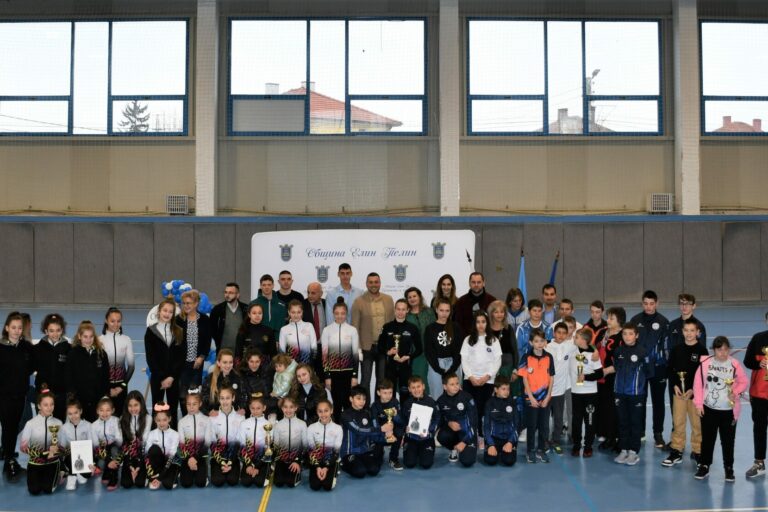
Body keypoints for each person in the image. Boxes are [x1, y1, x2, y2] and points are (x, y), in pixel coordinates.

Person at [694, 336, 749, 482]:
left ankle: (729, 468)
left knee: (728, 441)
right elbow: (698, 385)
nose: (723, 353)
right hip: (709, 409)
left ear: (729, 350)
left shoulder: (734, 364)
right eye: (719, 350)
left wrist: (735, 392)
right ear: (714, 350)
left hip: (728, 411)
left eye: (726, 349)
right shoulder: (705, 364)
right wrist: (698, 404)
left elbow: (744, 381)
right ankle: (704, 465)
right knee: (707, 439)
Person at [662, 318, 709, 468]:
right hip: (679, 394)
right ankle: (677, 450)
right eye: (686, 330)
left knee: (697, 424)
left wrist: (694, 390)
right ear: (682, 332)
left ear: (698, 332)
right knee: (678, 423)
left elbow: (704, 374)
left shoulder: (702, 351)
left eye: (692, 331)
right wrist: (675, 385)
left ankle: (698, 451)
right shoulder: (676, 349)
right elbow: (670, 369)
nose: (689, 333)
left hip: (696, 395)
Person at [630, 290, 669, 449]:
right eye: (645, 303)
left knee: (658, 401)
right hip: (640, 369)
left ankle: (658, 433)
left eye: (651, 303)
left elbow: (667, 347)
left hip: (658, 368)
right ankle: (640, 432)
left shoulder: (664, 322)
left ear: (657, 304)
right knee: (640, 400)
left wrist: (665, 365)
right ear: (642, 303)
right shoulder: (635, 320)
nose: (648, 307)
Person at [613, 323, 652, 466]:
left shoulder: (643, 352)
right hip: (619, 392)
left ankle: (634, 451)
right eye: (624, 334)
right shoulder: (618, 351)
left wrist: (638, 384)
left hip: (636, 394)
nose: (627, 337)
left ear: (636, 335)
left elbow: (649, 371)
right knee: (622, 421)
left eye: (630, 334)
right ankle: (624, 449)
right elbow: (616, 367)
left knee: (635, 422)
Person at [1, 312, 34, 482]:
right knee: (8, 428)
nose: (16, 331)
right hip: (4, 397)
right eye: (13, 327)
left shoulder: (26, 347)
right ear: (7, 328)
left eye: (19, 328)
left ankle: (10, 458)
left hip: (20, 396)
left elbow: (32, 366)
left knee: (14, 428)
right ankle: (8, 462)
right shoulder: (1, 348)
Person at [460, 310, 502, 443]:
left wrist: (487, 376)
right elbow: (464, 360)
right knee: (472, 409)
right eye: (478, 322)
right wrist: (470, 376)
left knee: (484, 409)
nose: (481, 325)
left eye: (483, 322)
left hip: (487, 381)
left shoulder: (493, 340)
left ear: (487, 323)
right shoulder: (468, 340)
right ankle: (472, 435)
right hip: (470, 381)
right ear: (474, 324)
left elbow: (497, 360)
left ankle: (483, 435)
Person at [144, 298, 185, 428]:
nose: (167, 314)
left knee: (173, 408)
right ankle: (155, 434)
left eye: (170, 312)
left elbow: (181, 357)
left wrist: (172, 377)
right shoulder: (150, 331)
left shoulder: (179, 331)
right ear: (159, 311)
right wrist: (162, 377)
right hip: (157, 378)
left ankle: (173, 433)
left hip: (174, 378)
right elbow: (151, 358)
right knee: (157, 407)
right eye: (165, 310)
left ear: (174, 314)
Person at [352, 272, 395, 393]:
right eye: (370, 282)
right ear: (366, 284)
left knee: (382, 381)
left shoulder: (388, 299)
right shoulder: (358, 301)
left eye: (376, 282)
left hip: (383, 348)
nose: (373, 285)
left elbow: (392, 324)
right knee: (365, 380)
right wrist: (357, 348)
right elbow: (355, 327)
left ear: (380, 283)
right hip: (366, 348)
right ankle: (364, 405)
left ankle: (379, 405)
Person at [668, 293, 708, 420]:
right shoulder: (673, 325)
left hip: (693, 378)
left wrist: (694, 385)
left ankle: (697, 433)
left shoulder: (699, 326)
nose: (684, 306)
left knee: (695, 416)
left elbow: (701, 355)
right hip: (676, 377)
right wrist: (674, 379)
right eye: (682, 303)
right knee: (676, 412)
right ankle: (676, 430)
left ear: (694, 306)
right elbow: (670, 351)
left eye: (688, 304)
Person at [340, 385, 391, 478]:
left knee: (374, 470)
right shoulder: (345, 415)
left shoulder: (367, 413)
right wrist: (380, 429)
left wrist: (385, 436)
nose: (362, 402)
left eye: (364, 399)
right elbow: (358, 430)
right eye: (358, 398)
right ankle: (343, 464)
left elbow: (371, 433)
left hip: (364, 451)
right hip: (349, 452)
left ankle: (360, 462)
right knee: (360, 472)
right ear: (351, 399)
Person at [519, 328, 554, 464]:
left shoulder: (549, 357)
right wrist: (531, 398)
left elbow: (551, 377)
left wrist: (548, 396)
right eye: (536, 341)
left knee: (544, 425)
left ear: (545, 342)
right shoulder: (526, 357)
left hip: (545, 398)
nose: (539, 344)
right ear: (531, 342)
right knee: (532, 425)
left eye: (542, 341)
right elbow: (524, 379)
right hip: (531, 398)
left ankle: (541, 449)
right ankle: (530, 450)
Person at [321, 300, 360, 422]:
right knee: (337, 404)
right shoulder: (327, 330)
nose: (340, 316)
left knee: (348, 403)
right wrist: (327, 376)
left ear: (346, 314)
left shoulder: (352, 330)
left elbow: (355, 355)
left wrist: (355, 375)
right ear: (333, 313)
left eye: (342, 313)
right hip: (333, 373)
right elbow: (324, 355)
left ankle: (349, 427)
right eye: (337, 313)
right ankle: (337, 427)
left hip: (348, 373)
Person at [20, 389, 64, 495]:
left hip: (52, 463)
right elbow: (23, 448)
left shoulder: (59, 423)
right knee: (34, 491)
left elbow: (63, 446)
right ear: (39, 406)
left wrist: (56, 451)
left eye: (52, 404)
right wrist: (41, 454)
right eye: (46, 405)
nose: (49, 407)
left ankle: (61, 473)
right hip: (35, 463)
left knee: (48, 490)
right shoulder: (30, 424)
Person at [177, 290, 213, 417]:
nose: (186, 306)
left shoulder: (204, 320)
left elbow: (207, 341)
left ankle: (195, 419)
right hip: (181, 365)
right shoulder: (178, 320)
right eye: (184, 303)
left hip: (197, 364)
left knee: (194, 394)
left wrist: (201, 357)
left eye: (189, 303)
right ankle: (185, 418)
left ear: (196, 303)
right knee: (182, 395)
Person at [379, 299, 422, 403]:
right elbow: (380, 347)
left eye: (403, 309)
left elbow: (420, 349)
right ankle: (390, 413)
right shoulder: (387, 327)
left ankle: (405, 413)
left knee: (405, 395)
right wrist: (388, 352)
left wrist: (409, 356)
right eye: (398, 309)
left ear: (407, 310)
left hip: (405, 366)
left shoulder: (412, 328)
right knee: (389, 394)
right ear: (394, 310)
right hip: (390, 367)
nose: (400, 312)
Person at [569, 329, 604, 458]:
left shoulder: (593, 355)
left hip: (590, 394)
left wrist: (586, 377)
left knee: (589, 421)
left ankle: (588, 447)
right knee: (576, 421)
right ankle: (576, 445)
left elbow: (599, 374)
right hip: (576, 393)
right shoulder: (573, 350)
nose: (574, 338)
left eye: (577, 337)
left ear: (583, 340)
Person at [67, 321, 110, 423]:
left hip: (97, 400)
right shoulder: (73, 354)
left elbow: (106, 376)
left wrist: (104, 395)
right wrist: (73, 395)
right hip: (80, 400)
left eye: (91, 336)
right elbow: (68, 376)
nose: (88, 340)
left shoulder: (101, 354)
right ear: (79, 336)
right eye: (85, 336)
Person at [546, 322, 577, 455]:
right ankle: (544, 441)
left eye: (564, 333)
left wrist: (595, 352)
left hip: (560, 390)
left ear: (567, 334)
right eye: (558, 332)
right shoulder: (547, 347)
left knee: (558, 418)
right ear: (554, 333)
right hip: (546, 390)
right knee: (545, 418)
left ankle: (556, 441)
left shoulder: (570, 347)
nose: (561, 335)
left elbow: (585, 345)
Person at [743, 313, 768, 478]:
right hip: (759, 393)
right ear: (766, 320)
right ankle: (759, 462)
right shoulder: (758, 338)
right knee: (759, 428)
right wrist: (758, 363)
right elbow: (747, 361)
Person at [597, 307, 625, 452]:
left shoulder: (623, 336)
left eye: (611, 318)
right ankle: (607, 435)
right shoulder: (603, 332)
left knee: (614, 408)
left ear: (619, 321)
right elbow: (593, 348)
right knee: (604, 407)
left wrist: (607, 370)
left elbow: (623, 359)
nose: (607, 320)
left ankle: (617, 438)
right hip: (600, 377)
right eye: (608, 317)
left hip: (615, 377)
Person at [424, 298, 463, 401]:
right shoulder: (430, 328)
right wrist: (438, 369)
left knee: (456, 394)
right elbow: (429, 351)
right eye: (441, 310)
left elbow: (459, 350)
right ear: (436, 310)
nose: (444, 313)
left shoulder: (456, 327)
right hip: (436, 365)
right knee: (437, 394)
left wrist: (452, 368)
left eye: (447, 311)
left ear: (450, 311)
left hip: (454, 364)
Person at [32, 313, 70, 421]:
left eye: (58, 330)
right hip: (43, 394)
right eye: (51, 330)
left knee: (59, 425)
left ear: (62, 330)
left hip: (61, 396)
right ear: (46, 331)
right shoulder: (37, 349)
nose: (55, 334)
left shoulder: (69, 349)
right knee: (42, 424)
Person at [436, 373, 478, 467]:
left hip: (468, 434)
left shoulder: (467, 397)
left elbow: (474, 423)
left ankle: (466, 446)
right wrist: (448, 423)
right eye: (452, 384)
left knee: (467, 461)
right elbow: (439, 419)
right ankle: (454, 449)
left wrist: (464, 442)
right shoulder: (441, 401)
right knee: (442, 436)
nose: (456, 386)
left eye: (457, 383)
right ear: (445, 387)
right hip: (453, 434)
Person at [100, 308, 135, 417]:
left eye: (118, 321)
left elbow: (131, 367)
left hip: (122, 386)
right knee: (105, 417)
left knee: (120, 418)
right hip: (105, 387)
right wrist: (107, 388)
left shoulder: (126, 340)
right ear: (106, 321)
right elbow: (98, 369)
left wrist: (122, 387)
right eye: (112, 321)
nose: (116, 324)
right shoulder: (99, 340)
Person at [401, 376, 440, 469]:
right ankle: (414, 452)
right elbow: (403, 420)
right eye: (413, 387)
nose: (416, 390)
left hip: (426, 438)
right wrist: (405, 428)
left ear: (423, 386)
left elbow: (437, 419)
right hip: (411, 439)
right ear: (409, 389)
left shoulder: (431, 402)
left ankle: (422, 451)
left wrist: (429, 430)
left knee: (426, 464)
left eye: (418, 386)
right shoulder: (406, 404)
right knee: (409, 464)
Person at [208, 385, 244, 487]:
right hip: (218, 456)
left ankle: (235, 466)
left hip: (233, 456)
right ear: (218, 399)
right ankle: (216, 465)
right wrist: (222, 462)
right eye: (222, 398)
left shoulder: (240, 418)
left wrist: (230, 461)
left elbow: (239, 442)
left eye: (228, 398)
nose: (225, 401)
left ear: (233, 398)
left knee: (232, 481)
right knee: (218, 481)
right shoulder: (212, 418)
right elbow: (212, 443)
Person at [118, 391, 152, 490]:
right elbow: (124, 442)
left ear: (141, 404)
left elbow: (144, 440)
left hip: (142, 453)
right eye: (130, 406)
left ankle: (143, 472)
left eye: (136, 405)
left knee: (140, 483)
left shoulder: (148, 418)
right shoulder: (122, 418)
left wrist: (139, 466)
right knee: (126, 484)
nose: (133, 409)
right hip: (128, 454)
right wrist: (130, 465)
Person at [305, 399, 342, 491]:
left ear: (331, 411)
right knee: (315, 486)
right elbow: (311, 449)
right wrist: (317, 467)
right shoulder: (311, 428)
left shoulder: (338, 429)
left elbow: (336, 451)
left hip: (331, 460)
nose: (323, 414)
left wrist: (326, 468)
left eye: (326, 411)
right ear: (317, 412)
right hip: (316, 460)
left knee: (327, 487)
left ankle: (334, 469)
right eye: (320, 411)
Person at [405, 287, 436, 394]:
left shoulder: (429, 312)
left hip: (430, 351)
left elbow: (434, 330)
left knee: (432, 380)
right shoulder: (406, 315)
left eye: (414, 296)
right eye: (409, 297)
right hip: (415, 353)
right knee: (418, 379)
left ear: (419, 297)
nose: (412, 299)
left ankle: (429, 401)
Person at [178, 391, 211, 488]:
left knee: (200, 483)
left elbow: (207, 442)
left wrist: (195, 458)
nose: (191, 407)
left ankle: (203, 473)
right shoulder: (182, 422)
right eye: (188, 404)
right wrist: (189, 458)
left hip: (200, 456)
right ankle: (184, 470)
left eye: (194, 404)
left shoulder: (207, 420)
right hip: (187, 457)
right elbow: (182, 444)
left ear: (200, 404)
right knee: (186, 484)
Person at [272, 397, 307, 488]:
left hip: (295, 458)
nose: (288, 410)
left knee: (290, 483)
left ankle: (298, 469)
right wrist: (278, 461)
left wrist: (297, 461)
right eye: (285, 407)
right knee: (279, 483)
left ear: (296, 408)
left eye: (291, 407)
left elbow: (305, 445)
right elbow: (276, 445)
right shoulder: (278, 425)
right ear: (282, 408)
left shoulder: (302, 424)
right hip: (282, 459)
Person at [483, 375, 518, 466]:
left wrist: (510, 442)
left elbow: (517, 425)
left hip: (508, 438)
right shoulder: (489, 403)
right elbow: (486, 426)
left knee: (509, 461)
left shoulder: (513, 403)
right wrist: (491, 444)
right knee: (490, 460)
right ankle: (495, 450)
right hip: (494, 439)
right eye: (503, 389)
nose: (506, 392)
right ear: (496, 389)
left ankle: (505, 451)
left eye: (508, 389)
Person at [145, 402, 181, 490]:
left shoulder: (175, 435)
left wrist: (160, 477)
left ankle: (174, 473)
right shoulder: (151, 434)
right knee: (153, 449)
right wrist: (151, 477)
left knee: (168, 485)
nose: (161, 423)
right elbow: (147, 456)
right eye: (158, 420)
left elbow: (171, 457)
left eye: (164, 420)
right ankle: (154, 475)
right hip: (158, 464)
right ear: (155, 420)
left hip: (170, 463)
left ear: (169, 419)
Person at [237, 396, 271, 488]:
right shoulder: (244, 424)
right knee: (246, 482)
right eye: (253, 408)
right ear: (249, 408)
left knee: (259, 483)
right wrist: (248, 465)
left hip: (262, 460)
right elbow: (242, 446)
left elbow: (269, 449)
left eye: (258, 408)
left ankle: (268, 468)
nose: (255, 411)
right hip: (248, 459)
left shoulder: (268, 425)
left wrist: (258, 466)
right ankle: (245, 467)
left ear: (264, 408)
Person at [370, 379, 403, 471]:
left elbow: (401, 422)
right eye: (385, 393)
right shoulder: (374, 406)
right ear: (378, 393)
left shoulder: (395, 402)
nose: (388, 395)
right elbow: (374, 424)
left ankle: (393, 459)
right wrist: (383, 431)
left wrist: (396, 416)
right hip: (380, 433)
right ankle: (379, 452)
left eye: (390, 393)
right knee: (377, 461)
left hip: (393, 432)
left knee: (399, 432)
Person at [91, 397, 122, 491]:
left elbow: (119, 439)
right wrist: (103, 446)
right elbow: (95, 444)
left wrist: (111, 443)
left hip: (115, 447)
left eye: (108, 410)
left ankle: (114, 477)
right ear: (97, 411)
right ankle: (107, 473)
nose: (104, 413)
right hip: (102, 449)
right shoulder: (94, 425)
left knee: (113, 450)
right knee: (101, 463)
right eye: (101, 410)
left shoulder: (116, 421)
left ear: (113, 410)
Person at [61, 399, 93, 491]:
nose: (73, 416)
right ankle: (72, 476)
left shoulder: (88, 425)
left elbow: (91, 444)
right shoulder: (64, 428)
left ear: (81, 411)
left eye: (76, 413)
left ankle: (79, 473)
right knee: (71, 456)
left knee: (86, 476)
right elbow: (62, 446)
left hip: (84, 456)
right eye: (70, 414)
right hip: (70, 456)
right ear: (67, 414)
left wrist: (92, 462)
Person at [201, 349, 245, 415]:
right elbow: (203, 399)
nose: (228, 365)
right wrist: (209, 412)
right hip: (216, 417)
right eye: (225, 362)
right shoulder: (210, 378)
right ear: (218, 363)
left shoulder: (238, 378)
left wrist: (242, 408)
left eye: (230, 362)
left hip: (234, 416)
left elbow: (244, 396)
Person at [210, 282, 248, 353]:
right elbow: (212, 329)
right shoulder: (217, 309)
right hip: (223, 351)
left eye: (231, 293)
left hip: (241, 351)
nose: (227, 295)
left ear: (237, 295)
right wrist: (218, 343)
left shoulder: (246, 309)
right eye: (226, 292)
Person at [279, 300, 318, 366]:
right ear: (289, 312)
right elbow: (282, 351)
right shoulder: (284, 329)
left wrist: (311, 363)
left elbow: (314, 347)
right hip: (291, 366)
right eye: (293, 312)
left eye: (298, 312)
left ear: (302, 312)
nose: (296, 315)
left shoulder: (309, 326)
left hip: (307, 364)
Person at [240, 349, 276, 416]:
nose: (254, 365)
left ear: (260, 361)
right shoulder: (242, 375)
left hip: (269, 409)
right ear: (247, 361)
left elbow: (272, 394)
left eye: (257, 361)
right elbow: (244, 396)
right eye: (251, 361)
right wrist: (243, 408)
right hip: (252, 411)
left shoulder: (268, 372)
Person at [303, 282, 327, 377]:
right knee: (308, 375)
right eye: (308, 292)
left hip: (324, 347)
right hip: (308, 348)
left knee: (323, 376)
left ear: (321, 293)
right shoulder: (302, 305)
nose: (310, 295)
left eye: (313, 293)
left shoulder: (327, 304)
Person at [488, 300, 518, 375]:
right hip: (490, 365)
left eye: (502, 312)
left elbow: (514, 350)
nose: (499, 314)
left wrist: (515, 369)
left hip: (507, 366)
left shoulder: (509, 329)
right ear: (491, 314)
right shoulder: (487, 330)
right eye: (496, 312)